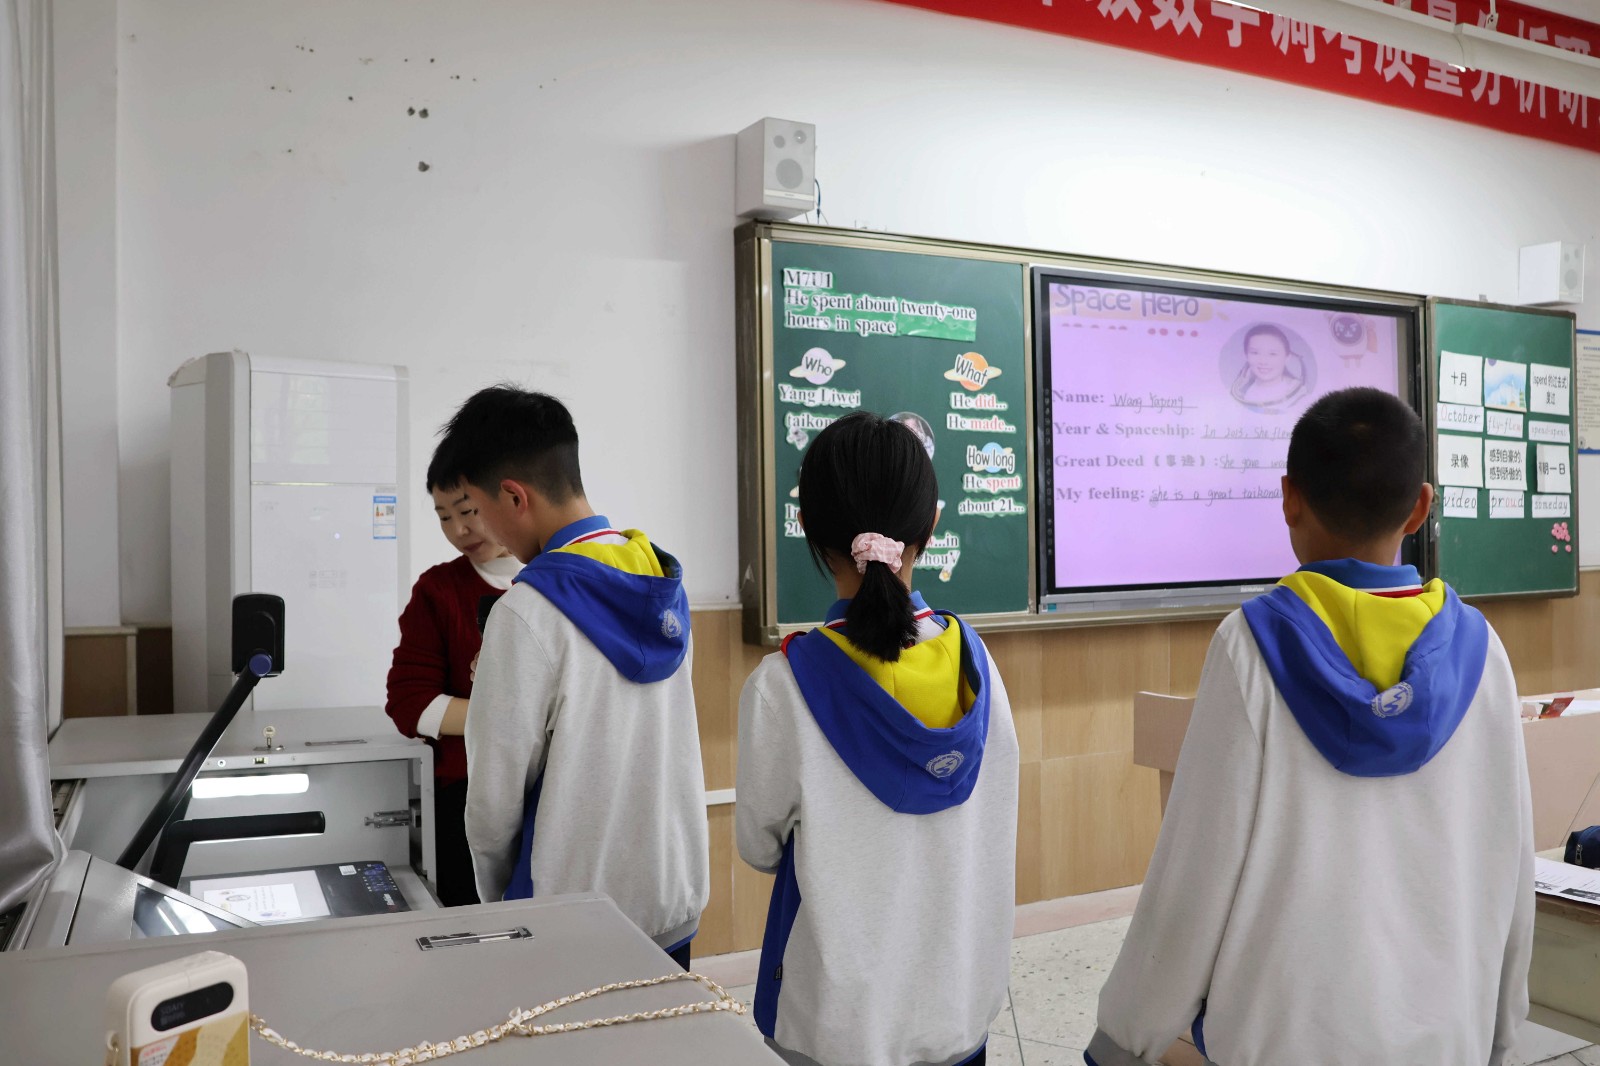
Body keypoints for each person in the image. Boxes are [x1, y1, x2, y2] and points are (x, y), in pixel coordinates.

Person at [1086, 388, 1533, 1066]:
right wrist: (1501, 1030)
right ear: (1420, 507)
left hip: (1285, 1040)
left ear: (1289, 497)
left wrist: (1127, 1035)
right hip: (1447, 1039)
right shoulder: (1482, 650)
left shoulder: (1250, 646)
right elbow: (1510, 859)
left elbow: (1195, 875)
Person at [736, 411, 1019, 1066]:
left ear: (805, 526)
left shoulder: (784, 686)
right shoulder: (977, 668)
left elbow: (758, 846)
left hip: (835, 1029)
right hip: (958, 1016)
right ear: (931, 528)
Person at [430, 385, 708, 967]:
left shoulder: (526, 612)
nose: (485, 532)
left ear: (514, 496)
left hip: (566, 924)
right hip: (671, 903)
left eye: (478, 509)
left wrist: (502, 901)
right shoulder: (662, 581)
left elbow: (492, 804)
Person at [384, 464, 521, 907]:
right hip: (464, 796)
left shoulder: (558, 581)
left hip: (549, 793)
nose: (458, 530)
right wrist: (514, 720)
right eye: (444, 516)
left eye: (467, 511)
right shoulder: (439, 590)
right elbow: (410, 703)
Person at [1229, 323, 1311, 412]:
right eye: (1255, 353)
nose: (1263, 361)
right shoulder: (1241, 391)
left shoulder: (1299, 394)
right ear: (1246, 356)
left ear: (1287, 357)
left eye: (1272, 354)